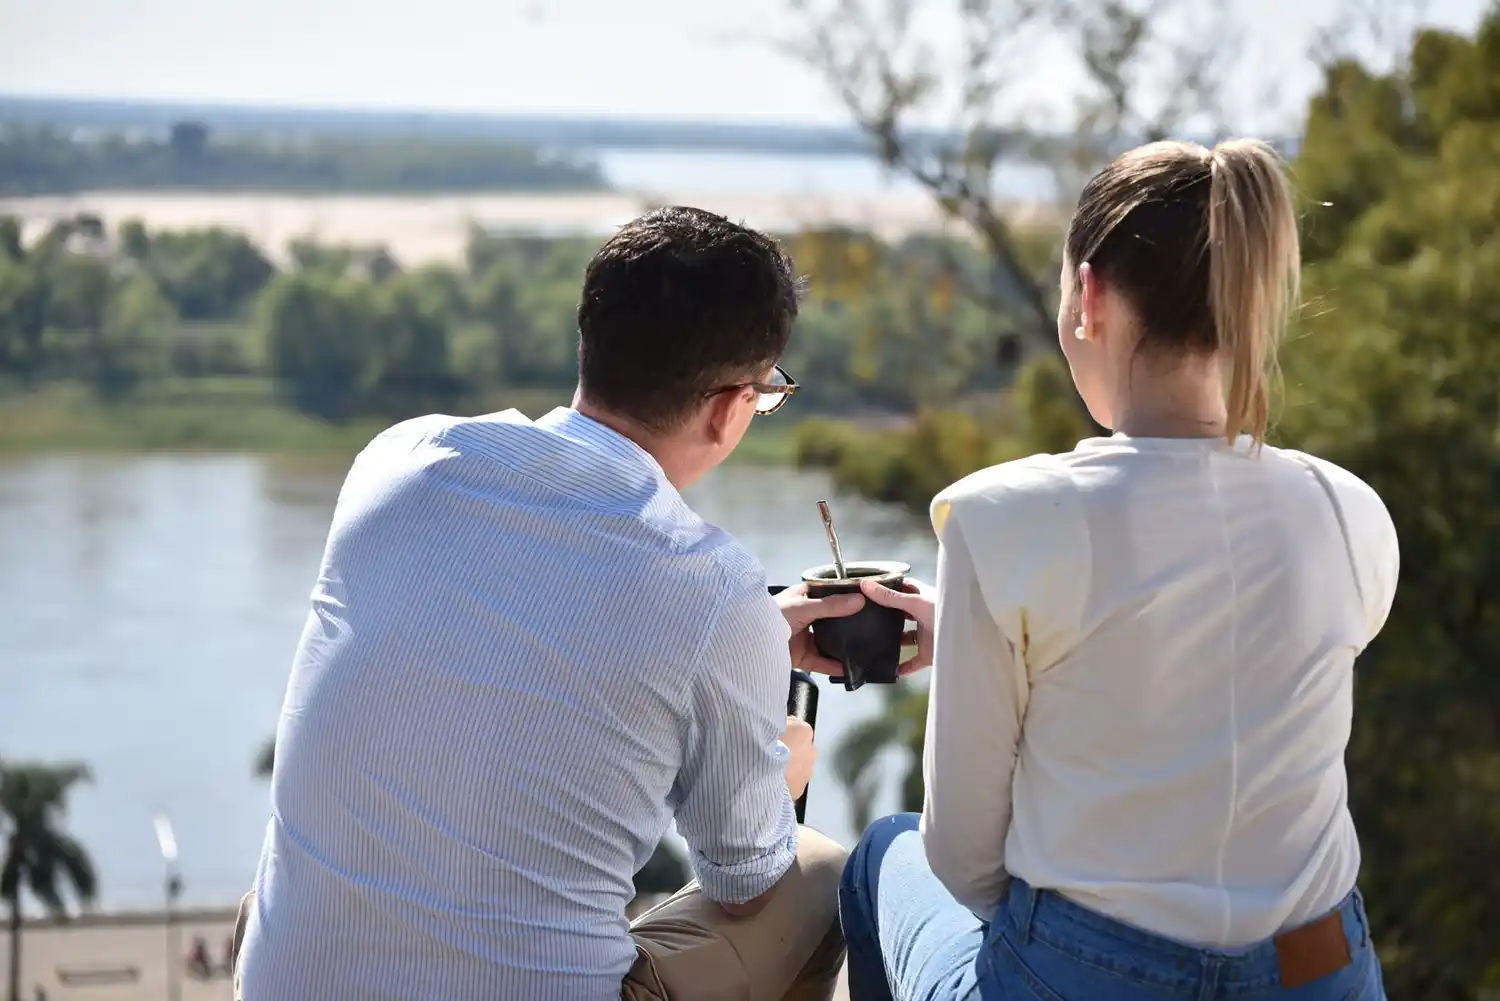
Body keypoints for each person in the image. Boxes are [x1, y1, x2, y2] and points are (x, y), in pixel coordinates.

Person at [235, 206, 925, 1001]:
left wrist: (751, 640)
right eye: (766, 396)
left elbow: (510, 630)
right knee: (818, 868)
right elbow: (745, 882)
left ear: (590, 338)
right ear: (729, 407)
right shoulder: (709, 583)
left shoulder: (399, 461)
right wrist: (784, 759)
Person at [841, 139, 1398, 1000]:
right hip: (1318, 970)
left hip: (1088, 977)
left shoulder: (1004, 517)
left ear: (1089, 296)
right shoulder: (1347, 511)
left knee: (884, 851)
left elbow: (964, 862)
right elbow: (1221, 651)